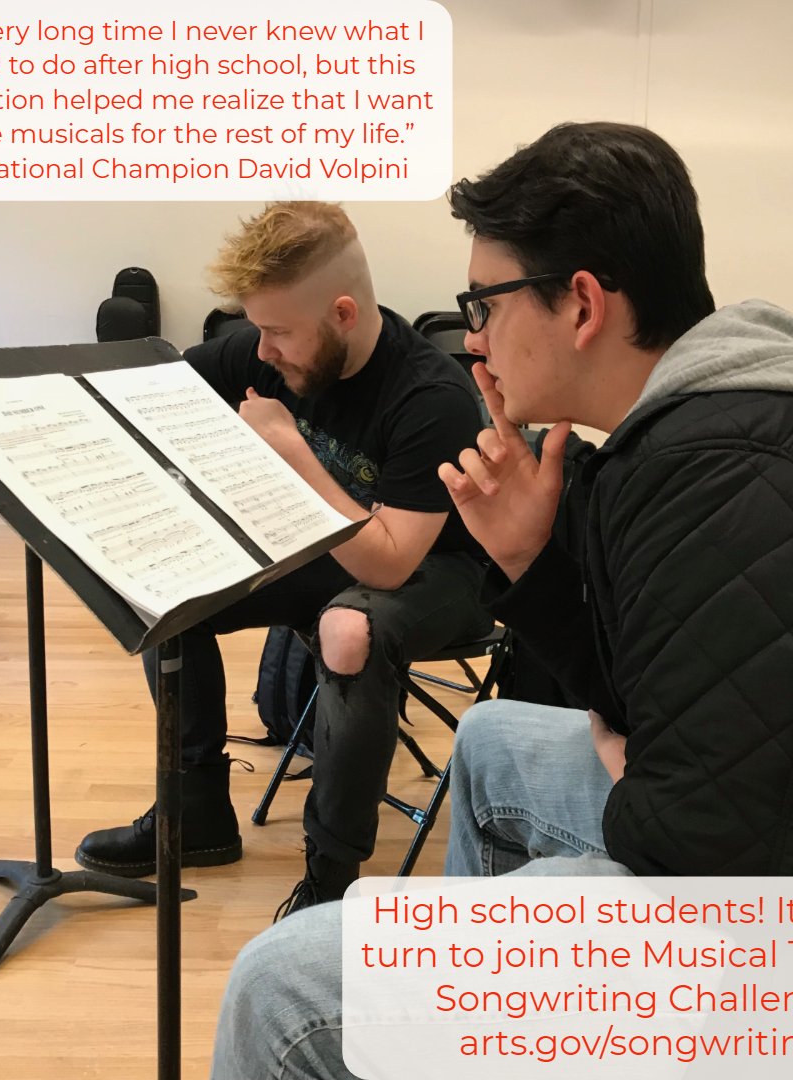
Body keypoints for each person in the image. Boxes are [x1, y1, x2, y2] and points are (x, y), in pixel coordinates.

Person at [209, 122, 793, 1078]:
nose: (473, 338)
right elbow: (643, 693)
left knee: (280, 984)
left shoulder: (738, 482)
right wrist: (532, 563)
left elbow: (718, 873)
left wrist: (628, 771)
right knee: (489, 738)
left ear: (585, 305)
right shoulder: (694, 423)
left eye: (484, 303)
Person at [75, 201, 492, 914]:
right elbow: (152, 390)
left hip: (441, 570)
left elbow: (389, 563)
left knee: (349, 631)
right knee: (165, 590)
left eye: (278, 332)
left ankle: (332, 880)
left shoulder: (431, 396)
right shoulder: (262, 351)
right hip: (331, 547)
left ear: (342, 314)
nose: (261, 351)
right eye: (256, 328)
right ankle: (196, 809)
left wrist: (292, 451)